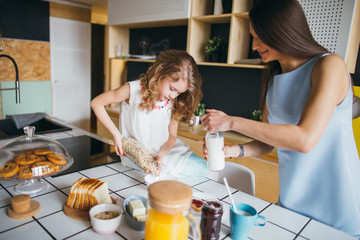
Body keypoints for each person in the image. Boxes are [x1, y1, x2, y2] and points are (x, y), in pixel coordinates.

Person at [201, 0, 360, 237]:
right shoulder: (274, 80)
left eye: (260, 37)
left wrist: (231, 121)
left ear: (282, 30)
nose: (254, 46)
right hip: (292, 205)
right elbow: (270, 140)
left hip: (337, 211)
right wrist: (231, 151)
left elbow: (304, 139)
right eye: (252, 37)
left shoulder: (330, 66)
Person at [91, 49, 208, 177]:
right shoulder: (133, 90)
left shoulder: (173, 101)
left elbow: (172, 136)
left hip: (163, 154)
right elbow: (96, 103)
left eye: (179, 93)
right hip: (138, 157)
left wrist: (162, 154)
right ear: (160, 71)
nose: (173, 96)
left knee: (203, 169)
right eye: (172, 89)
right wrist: (117, 135)